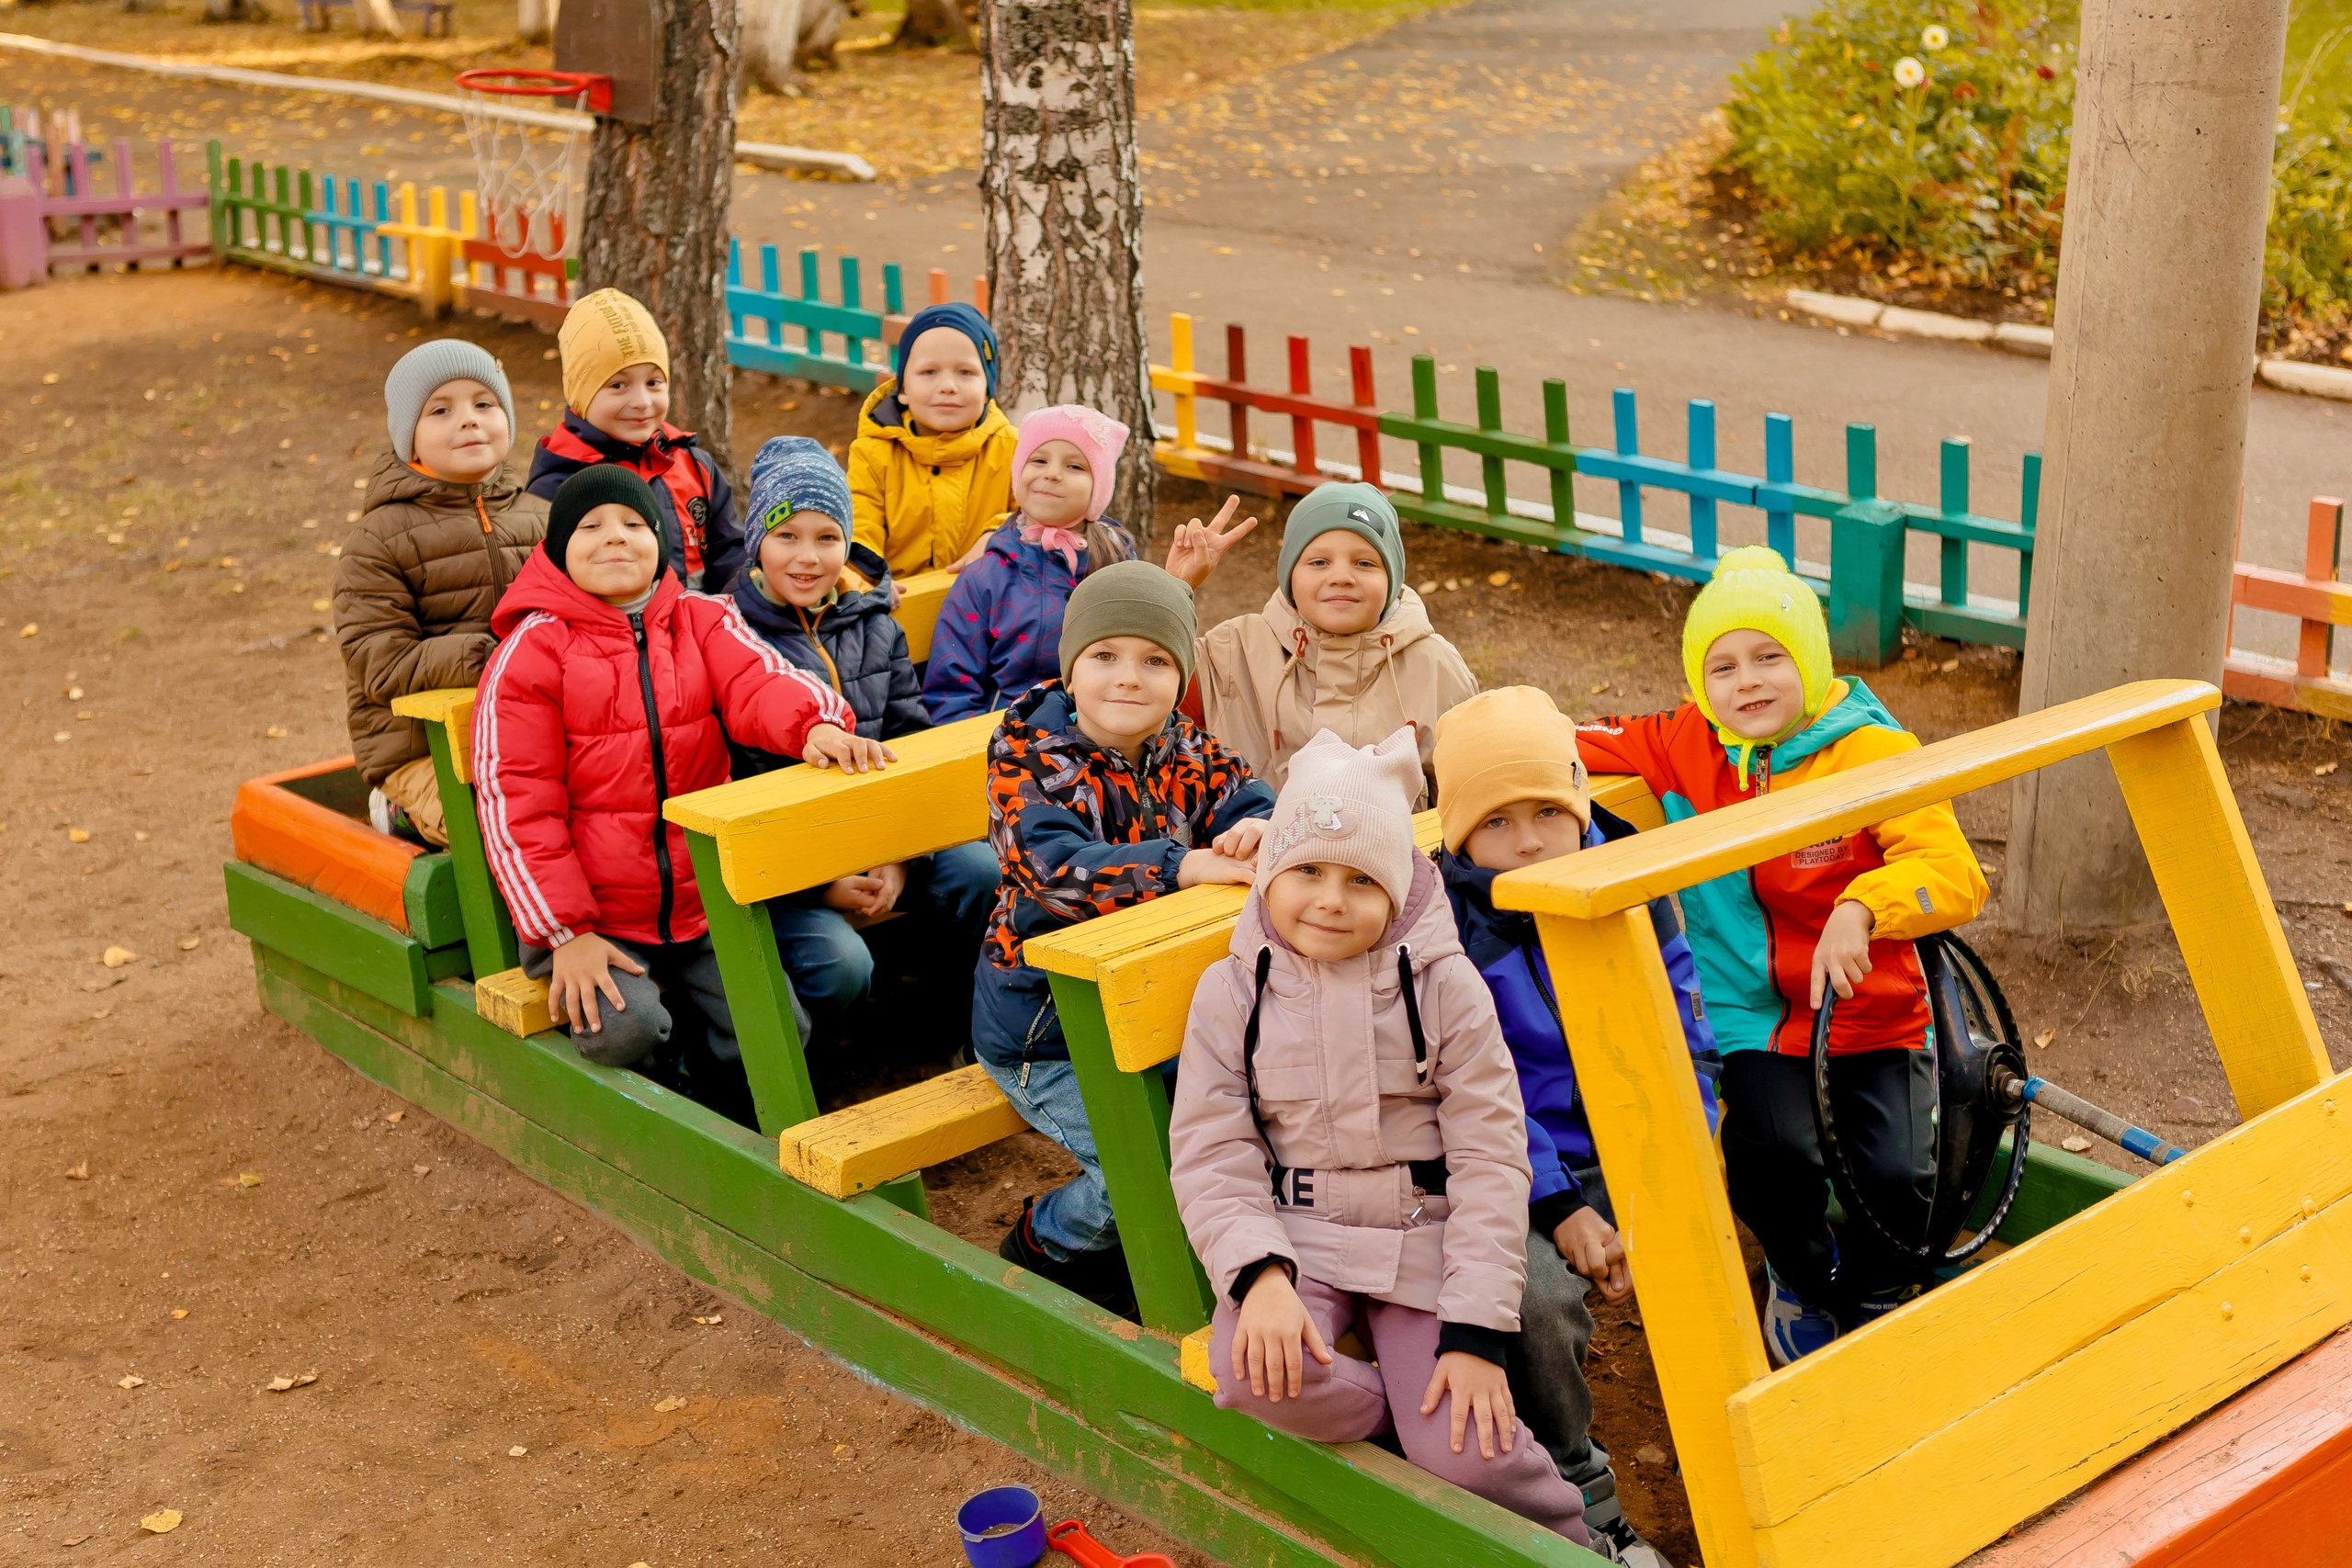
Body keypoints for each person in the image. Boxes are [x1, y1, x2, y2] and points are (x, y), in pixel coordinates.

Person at [1166, 726, 1589, 1548]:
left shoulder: (1445, 985)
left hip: (1420, 1235)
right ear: (1271, 874)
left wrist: (1471, 1332)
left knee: (1467, 1451)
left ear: (1398, 892)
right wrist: (1257, 1274)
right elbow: (1213, 1147)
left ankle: (1570, 1539)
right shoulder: (1232, 990)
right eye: (1308, 872)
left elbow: (1492, 1154)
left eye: (1362, 879)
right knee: (1249, 1373)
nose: (1330, 898)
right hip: (1302, 1237)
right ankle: (1406, 1422)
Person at [1572, 546, 1988, 1365]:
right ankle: (1798, 1278)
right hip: (1750, 1012)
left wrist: (1867, 903)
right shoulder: (1684, 740)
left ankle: (1873, 1288)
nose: (1747, 681)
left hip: (1867, 1006)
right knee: (1770, 1157)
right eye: (1721, 665)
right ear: (1699, 681)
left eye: (1770, 656)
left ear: (1811, 660)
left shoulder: (1871, 750)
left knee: (1899, 1176)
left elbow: (1954, 875)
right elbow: (1574, 740)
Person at [472, 465, 879, 1095]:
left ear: (660, 541)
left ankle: (718, 1101)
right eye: (591, 526)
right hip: (591, 913)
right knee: (624, 1028)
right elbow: (514, 805)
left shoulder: (697, 618)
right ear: (556, 550)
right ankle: (661, 1102)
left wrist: (813, 726)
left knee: (778, 1030)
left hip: (699, 901)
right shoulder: (531, 652)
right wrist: (565, 933)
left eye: (634, 523)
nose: (615, 537)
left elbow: (758, 679)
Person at [1431, 686, 1718, 1568]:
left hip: (1629, 1135)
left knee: (1730, 1214)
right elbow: (1481, 1096)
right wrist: (1562, 1208)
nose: (1526, 841)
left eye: (1549, 813)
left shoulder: (1631, 886)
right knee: (1536, 1302)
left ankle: (1745, 1427)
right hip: (1510, 1163)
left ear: (1581, 803)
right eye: (1497, 822)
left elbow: (1684, 1031)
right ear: (1457, 837)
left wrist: (1682, 1143)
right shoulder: (1450, 931)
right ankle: (1580, 1488)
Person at [978, 560, 1275, 1315]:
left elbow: (1245, 792)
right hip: (1042, 1027)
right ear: (1070, 669)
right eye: (1105, 656)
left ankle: (1205, 1263)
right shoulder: (1028, 758)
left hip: (1157, 1007)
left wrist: (1255, 826)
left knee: (1237, 1136)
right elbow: (1056, 868)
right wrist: (1184, 864)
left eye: (1155, 660)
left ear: (1180, 678)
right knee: (1136, 1173)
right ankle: (1046, 1238)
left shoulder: (1185, 747)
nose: (1128, 678)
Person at [725, 435, 1001, 1035]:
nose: (807, 557)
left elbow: (911, 741)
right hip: (792, 869)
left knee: (979, 869)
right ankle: (825, 1059)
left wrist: (901, 858)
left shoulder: (876, 623)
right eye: (786, 536)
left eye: (827, 537)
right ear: (756, 544)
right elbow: (743, 779)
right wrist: (824, 883)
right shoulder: (734, 640)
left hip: (886, 838)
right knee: (842, 965)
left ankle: (954, 1018)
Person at [336, 339, 548, 848]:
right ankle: (399, 809)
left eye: (484, 403)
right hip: (420, 750)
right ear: (409, 439)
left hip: (532, 735)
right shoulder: (377, 541)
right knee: (500, 826)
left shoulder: (543, 518)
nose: (468, 420)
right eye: (440, 410)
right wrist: (486, 658)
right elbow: (379, 662)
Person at [1167, 481, 1476, 805]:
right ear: (1290, 575)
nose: (1341, 576)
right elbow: (1144, 682)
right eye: (1319, 562)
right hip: (1250, 852)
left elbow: (1472, 794)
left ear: (1392, 578)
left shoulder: (1435, 665)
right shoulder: (1235, 649)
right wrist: (1176, 587)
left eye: (1365, 563)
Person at [923, 403, 1138, 723]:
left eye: (1075, 466)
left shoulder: (1117, 560)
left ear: (1100, 487)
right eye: (1038, 460)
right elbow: (952, 690)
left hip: (1105, 733)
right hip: (1009, 742)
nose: (1052, 473)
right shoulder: (986, 576)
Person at [528, 288, 741, 592]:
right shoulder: (557, 486)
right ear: (581, 395)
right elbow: (553, 590)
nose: (642, 401)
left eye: (654, 382)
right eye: (618, 385)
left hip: (705, 632)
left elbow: (731, 554)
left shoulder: (695, 466)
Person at [847, 302, 1018, 586]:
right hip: (900, 601)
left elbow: (1032, 516)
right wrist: (871, 581)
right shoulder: (873, 452)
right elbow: (860, 526)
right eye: (929, 372)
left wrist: (996, 537)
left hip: (990, 598)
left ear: (987, 388)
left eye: (965, 372)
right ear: (902, 388)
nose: (948, 386)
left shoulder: (1013, 448)